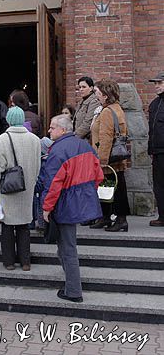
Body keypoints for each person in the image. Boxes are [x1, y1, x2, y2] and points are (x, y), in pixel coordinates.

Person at [42, 115, 103, 302]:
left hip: (64, 203)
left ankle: (73, 291)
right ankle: (71, 285)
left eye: (52, 128)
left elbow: (52, 184)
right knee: (66, 247)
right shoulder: (85, 146)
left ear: (63, 130)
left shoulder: (58, 151)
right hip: (81, 200)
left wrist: (46, 208)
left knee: (67, 248)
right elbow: (98, 175)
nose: (49, 131)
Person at [0, 106, 41, 271]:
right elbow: (37, 166)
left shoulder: (2, 139)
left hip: (8, 188)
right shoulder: (35, 139)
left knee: (7, 225)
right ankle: (25, 261)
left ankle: (9, 262)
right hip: (27, 188)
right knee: (24, 226)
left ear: (9, 120)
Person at [90, 78, 130, 232]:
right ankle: (106, 217)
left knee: (115, 189)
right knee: (110, 187)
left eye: (97, 93)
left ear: (105, 95)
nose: (96, 96)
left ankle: (119, 220)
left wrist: (102, 161)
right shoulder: (117, 108)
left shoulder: (107, 112)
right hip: (115, 158)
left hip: (108, 159)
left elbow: (105, 138)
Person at [148, 71, 164, 226]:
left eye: (160, 83)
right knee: (159, 186)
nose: (156, 86)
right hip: (157, 151)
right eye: (155, 83)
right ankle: (162, 217)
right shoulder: (154, 103)